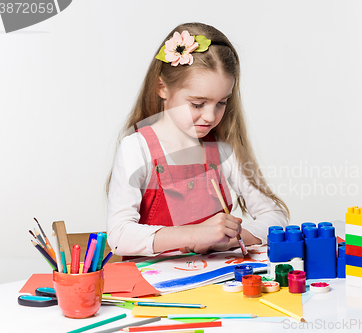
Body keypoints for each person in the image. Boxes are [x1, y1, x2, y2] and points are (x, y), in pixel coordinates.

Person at [106, 22, 289, 257]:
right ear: (162, 87)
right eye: (198, 104)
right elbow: (120, 237)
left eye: (222, 102)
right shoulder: (136, 148)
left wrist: (231, 238)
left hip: (216, 286)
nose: (211, 116)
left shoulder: (223, 150)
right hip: (155, 290)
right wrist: (196, 234)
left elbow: (277, 217)